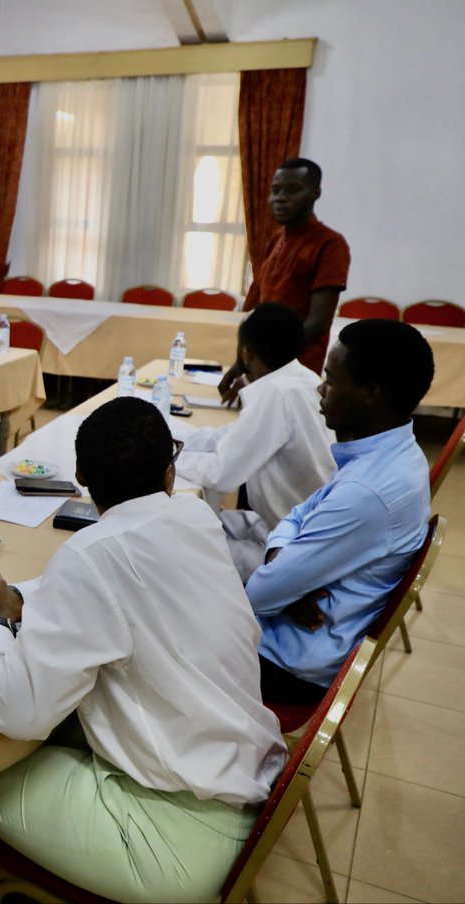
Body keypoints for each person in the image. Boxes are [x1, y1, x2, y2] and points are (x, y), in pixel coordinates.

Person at [0, 397, 286, 904]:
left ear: (81, 477)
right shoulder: (193, 515)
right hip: (235, 776)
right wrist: (19, 598)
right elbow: (122, 588)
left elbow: (18, 711)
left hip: (172, 836)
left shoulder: (90, 556)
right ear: (171, 472)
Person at [246, 319, 434, 704]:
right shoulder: (394, 452)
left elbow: (259, 595)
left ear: (371, 393)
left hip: (284, 662)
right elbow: (297, 514)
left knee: (169, 606)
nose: (320, 388)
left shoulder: (367, 492)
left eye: (331, 380)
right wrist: (287, 574)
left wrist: (282, 582)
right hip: (301, 634)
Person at [175, 303, 335, 579]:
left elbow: (221, 474)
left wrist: (169, 459)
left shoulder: (277, 393)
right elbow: (232, 436)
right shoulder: (303, 378)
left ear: (246, 352)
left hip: (291, 549)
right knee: (190, 521)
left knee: (179, 548)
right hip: (295, 528)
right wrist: (176, 438)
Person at [221, 158, 350, 402]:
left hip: (296, 371)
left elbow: (317, 322)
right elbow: (258, 312)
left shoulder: (330, 244)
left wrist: (261, 362)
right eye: (276, 190)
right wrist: (243, 363)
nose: (280, 198)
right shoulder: (276, 240)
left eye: (292, 190)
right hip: (262, 366)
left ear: (315, 193)